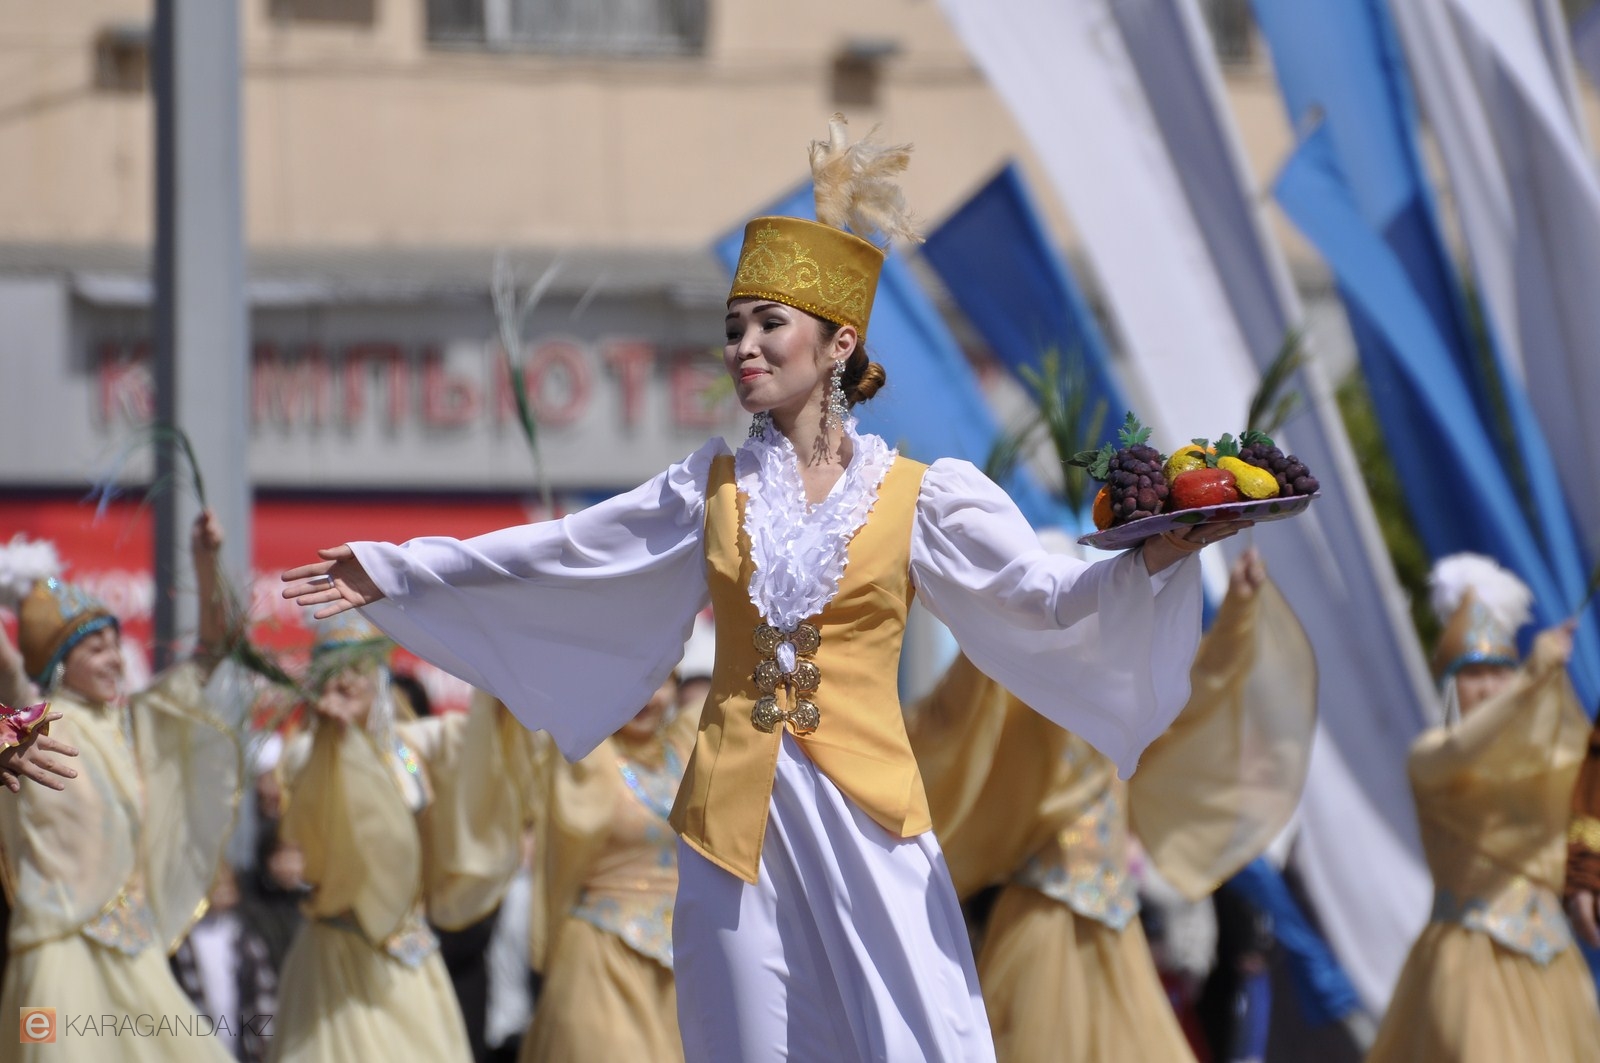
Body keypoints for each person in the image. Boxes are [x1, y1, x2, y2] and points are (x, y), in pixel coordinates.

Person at [282, 115, 1236, 1060]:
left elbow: (1044, 595)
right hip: (732, 824)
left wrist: (1158, 551)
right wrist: (399, 567)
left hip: (868, 822)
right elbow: (564, 553)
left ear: (837, 344)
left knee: (917, 1043)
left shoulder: (922, 495)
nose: (742, 345)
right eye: (733, 327)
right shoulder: (710, 486)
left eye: (768, 324)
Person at [905, 547, 1316, 1062]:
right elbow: (949, 723)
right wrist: (991, 621)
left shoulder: (1129, 694)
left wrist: (1236, 613)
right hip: (1043, 914)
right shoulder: (1019, 683)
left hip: (1114, 917)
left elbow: (1198, 691)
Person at [0, 513, 245, 1061]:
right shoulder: (34, 720)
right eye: (95, 648)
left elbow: (215, 647)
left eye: (116, 642)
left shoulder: (136, 720)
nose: (114, 657)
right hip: (57, 955)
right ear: (60, 666)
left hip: (134, 951)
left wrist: (206, 562)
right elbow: (9, 662)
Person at [1366, 554, 1600, 1062]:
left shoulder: (1541, 769)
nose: (1490, 686)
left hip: (1555, 967)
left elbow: (1584, 810)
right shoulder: (1430, 757)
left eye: (1500, 672)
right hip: (1467, 966)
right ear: (1451, 685)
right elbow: (1464, 748)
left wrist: (1584, 883)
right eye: (1473, 673)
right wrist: (1529, 678)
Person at [269, 614, 523, 1063]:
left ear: (381, 674)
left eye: (358, 666)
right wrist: (335, 737)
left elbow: (481, 738)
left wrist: (501, 659)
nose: (346, 679)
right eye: (333, 668)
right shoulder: (306, 753)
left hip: (410, 957)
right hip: (338, 959)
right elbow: (314, 820)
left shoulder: (413, 748)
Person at [514, 672, 696, 1061]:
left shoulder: (687, 748)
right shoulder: (583, 757)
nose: (646, 698)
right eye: (631, 683)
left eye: (659, 683)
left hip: (685, 964)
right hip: (602, 955)